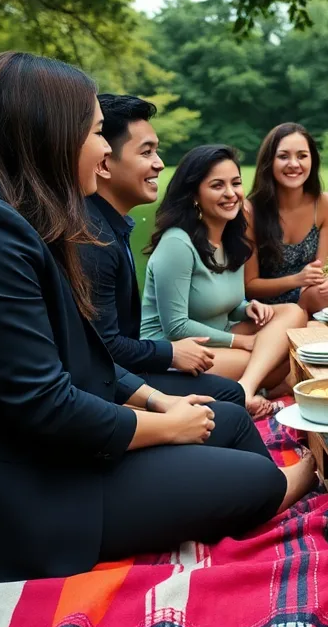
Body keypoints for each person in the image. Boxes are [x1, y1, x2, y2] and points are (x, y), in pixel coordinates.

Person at [0, 52, 316, 591]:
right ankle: (274, 488)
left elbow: (77, 358)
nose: (105, 147)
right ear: (46, 133)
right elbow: (44, 403)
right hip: (5, 497)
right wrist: (165, 426)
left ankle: (260, 491)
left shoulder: (0, 214)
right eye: (93, 131)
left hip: (39, 455)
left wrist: (164, 404)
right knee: (249, 473)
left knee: (225, 421)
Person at [81, 94, 246, 406]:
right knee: (230, 401)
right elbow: (101, 348)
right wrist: (169, 354)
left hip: (130, 370)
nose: (159, 163)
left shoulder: (113, 226)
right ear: (105, 163)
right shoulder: (94, 239)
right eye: (147, 152)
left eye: (236, 183)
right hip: (110, 389)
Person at [141, 145, 308, 417]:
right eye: (217, 185)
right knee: (266, 358)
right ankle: (249, 391)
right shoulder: (177, 244)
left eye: (236, 183)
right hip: (173, 355)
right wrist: (240, 342)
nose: (231, 194)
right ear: (195, 194)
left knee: (292, 313)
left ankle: (246, 388)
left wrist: (247, 308)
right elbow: (175, 326)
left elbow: (225, 306)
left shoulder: (230, 239)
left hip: (215, 338)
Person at [244, 123, 328, 314]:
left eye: (302, 156)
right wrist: (297, 279)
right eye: (283, 156)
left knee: (327, 294)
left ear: (312, 160)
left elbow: (323, 270)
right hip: (263, 307)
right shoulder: (250, 210)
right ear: (269, 161)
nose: (294, 164)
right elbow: (249, 286)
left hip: (308, 295)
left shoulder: (325, 204)